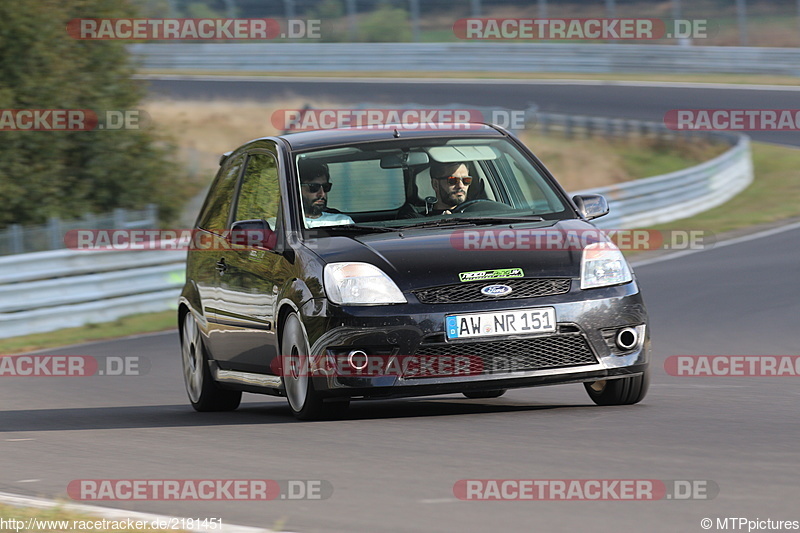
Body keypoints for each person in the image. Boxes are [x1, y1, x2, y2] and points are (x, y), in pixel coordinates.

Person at [398, 161, 472, 218]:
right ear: (435, 184)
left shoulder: (478, 212)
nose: (461, 186)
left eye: (466, 180)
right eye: (453, 180)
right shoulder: (414, 217)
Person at [298, 161, 355, 228]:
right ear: (298, 188)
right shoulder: (287, 223)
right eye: (314, 187)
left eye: (326, 187)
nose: (322, 194)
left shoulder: (342, 221)